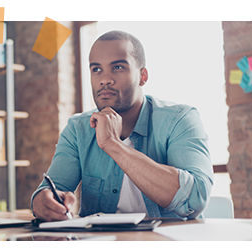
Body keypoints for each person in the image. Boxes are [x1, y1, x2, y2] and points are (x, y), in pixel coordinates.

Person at [31, 30, 213, 222]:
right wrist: (42, 202)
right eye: (96, 69)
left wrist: (113, 144)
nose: (105, 79)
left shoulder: (180, 119)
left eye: (118, 67)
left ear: (143, 76)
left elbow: (195, 200)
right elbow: (52, 189)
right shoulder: (78, 129)